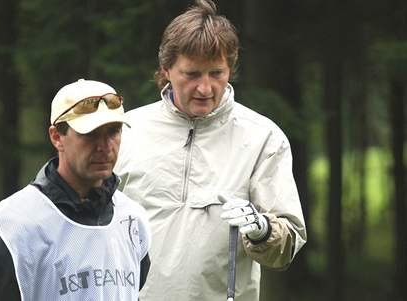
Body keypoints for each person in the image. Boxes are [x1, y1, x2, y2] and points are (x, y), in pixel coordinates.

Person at [114, 0, 307, 300]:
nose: (205, 88)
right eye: (192, 74)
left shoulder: (263, 138)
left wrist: (263, 231)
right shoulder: (125, 131)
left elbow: (287, 245)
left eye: (216, 73)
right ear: (166, 69)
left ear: (231, 68)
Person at [0, 79, 151, 301]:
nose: (105, 146)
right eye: (91, 134)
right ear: (57, 136)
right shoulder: (13, 225)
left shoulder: (133, 219)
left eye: (113, 131)